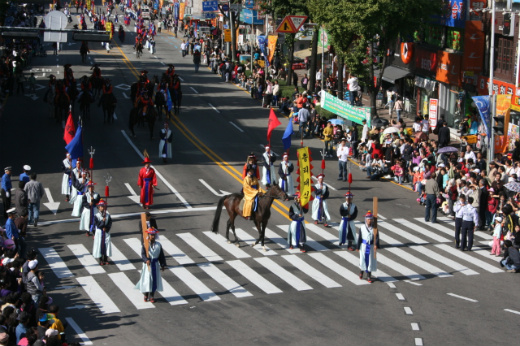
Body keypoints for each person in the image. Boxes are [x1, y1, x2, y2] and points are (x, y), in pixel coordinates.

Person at [135, 228, 166, 303]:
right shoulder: (145, 244)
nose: (152, 236)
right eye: (151, 235)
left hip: (155, 264)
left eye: (153, 235)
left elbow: (161, 255)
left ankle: (152, 295)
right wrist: (146, 260)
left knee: (154, 281)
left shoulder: (158, 245)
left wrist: (162, 264)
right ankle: (146, 294)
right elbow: (143, 254)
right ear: (148, 235)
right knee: (147, 280)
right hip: (148, 265)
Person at [357, 210, 379, 283]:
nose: (369, 220)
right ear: (366, 219)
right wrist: (357, 247)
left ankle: (369, 275)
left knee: (370, 261)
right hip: (363, 246)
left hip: (371, 246)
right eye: (368, 219)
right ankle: (361, 272)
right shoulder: (362, 227)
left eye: (371, 219)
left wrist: (376, 244)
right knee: (363, 260)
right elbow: (359, 237)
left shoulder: (374, 228)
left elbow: (377, 237)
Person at [93, 200, 112, 265]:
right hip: (99, 232)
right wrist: (102, 222)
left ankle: (106, 259)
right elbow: (97, 224)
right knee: (99, 245)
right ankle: (101, 259)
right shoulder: (96, 216)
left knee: (107, 244)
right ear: (98, 207)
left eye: (103, 206)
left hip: (106, 232)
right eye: (101, 206)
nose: (102, 208)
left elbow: (110, 223)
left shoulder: (107, 215)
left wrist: (106, 228)